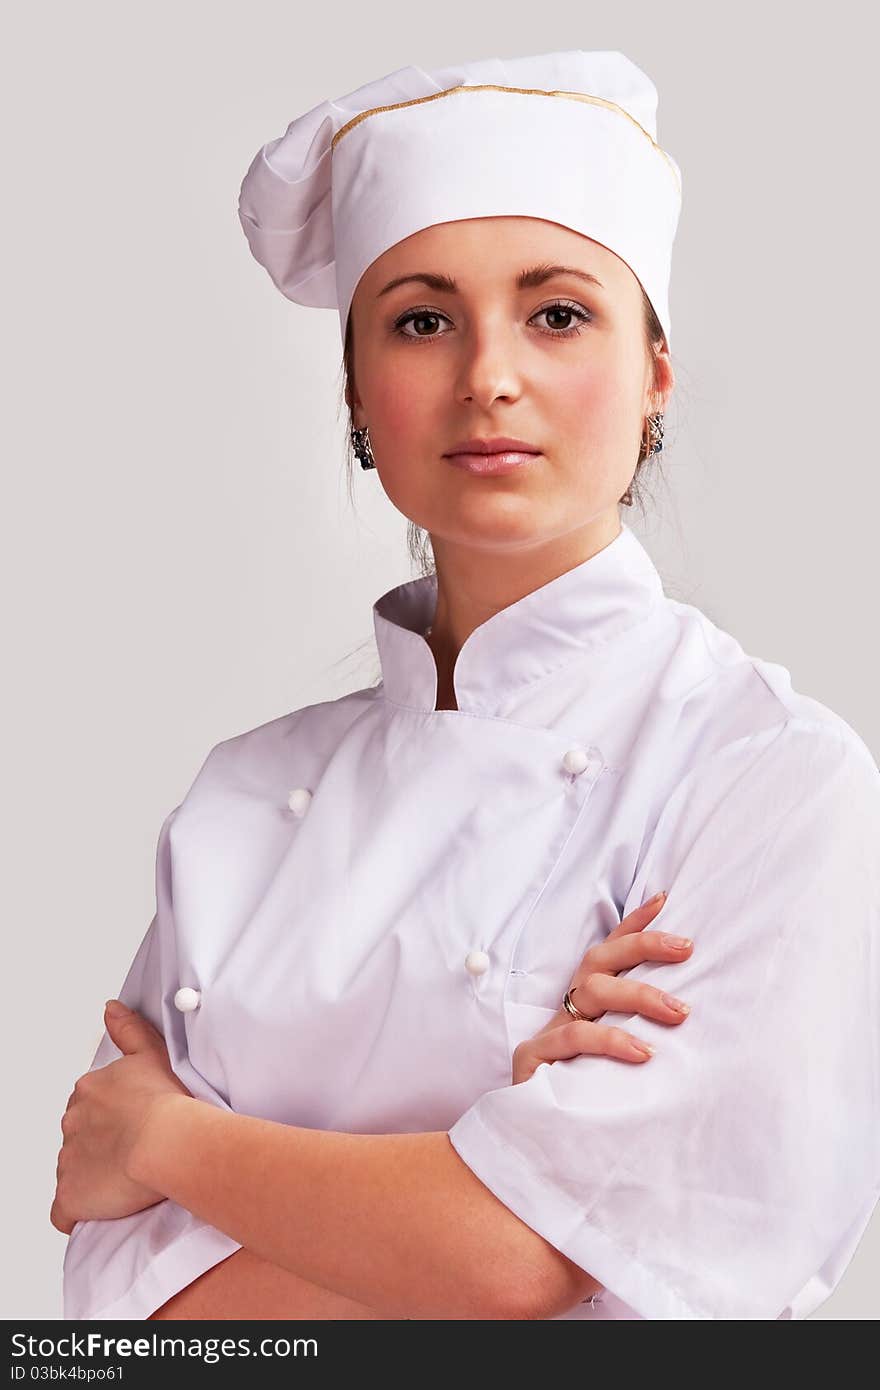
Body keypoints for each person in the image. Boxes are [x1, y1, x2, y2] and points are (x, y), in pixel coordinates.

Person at [53, 49, 880, 1321]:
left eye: (557, 314)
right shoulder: (240, 797)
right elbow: (116, 1308)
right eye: (422, 320)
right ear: (355, 394)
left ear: (656, 372)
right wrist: (484, 1155)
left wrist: (168, 1144)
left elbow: (548, 1262)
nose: (488, 375)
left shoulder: (766, 774)